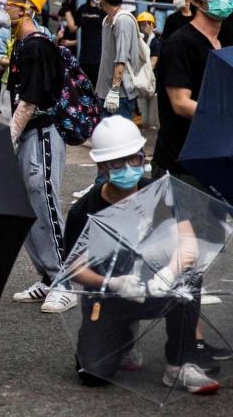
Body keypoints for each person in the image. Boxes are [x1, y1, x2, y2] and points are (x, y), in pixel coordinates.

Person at [65, 116, 218, 394]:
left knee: (189, 277)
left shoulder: (161, 192)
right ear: (101, 166)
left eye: (134, 159)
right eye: (117, 163)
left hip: (157, 285)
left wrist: (168, 271)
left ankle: (180, 363)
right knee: (93, 375)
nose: (128, 168)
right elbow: (75, 267)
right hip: (109, 295)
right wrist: (112, 283)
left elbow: (188, 243)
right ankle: (123, 337)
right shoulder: (84, 211)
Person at [0, 0, 74, 314]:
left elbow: (30, 101)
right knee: (28, 207)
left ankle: (66, 281)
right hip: (30, 133)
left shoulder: (37, 44)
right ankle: (47, 275)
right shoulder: (23, 42)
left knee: (45, 203)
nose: (4, 2)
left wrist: (11, 135)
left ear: (28, 5)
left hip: (41, 133)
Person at [153, 0, 233, 182]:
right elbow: (181, 103)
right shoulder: (180, 43)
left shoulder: (224, 38)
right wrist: (225, 116)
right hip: (180, 163)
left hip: (216, 156)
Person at [93, 0, 143, 121]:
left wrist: (114, 90)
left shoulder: (122, 20)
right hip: (103, 93)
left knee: (122, 140)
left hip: (119, 96)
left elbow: (121, 59)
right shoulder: (107, 20)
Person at [136, 12, 161, 128]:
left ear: (152, 25)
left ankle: (152, 123)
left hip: (152, 76)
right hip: (142, 75)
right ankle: (145, 121)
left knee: (152, 101)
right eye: (140, 24)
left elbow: (154, 61)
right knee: (142, 101)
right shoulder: (140, 41)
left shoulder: (155, 42)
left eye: (146, 24)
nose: (143, 27)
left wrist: (144, 70)